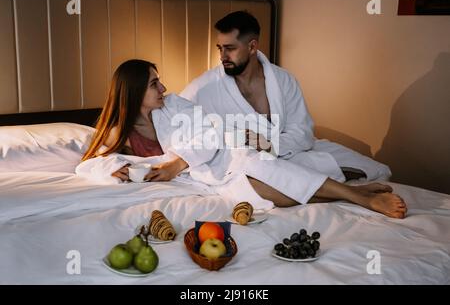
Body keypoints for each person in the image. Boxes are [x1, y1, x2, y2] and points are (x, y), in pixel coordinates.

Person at [77, 59, 407, 218]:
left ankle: (363, 199)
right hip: (206, 178)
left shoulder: (174, 105)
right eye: (154, 84)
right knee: (261, 194)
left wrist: (179, 163)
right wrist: (112, 170)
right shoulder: (117, 132)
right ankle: (352, 193)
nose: (163, 88)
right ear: (134, 92)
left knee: (259, 164)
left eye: (159, 81)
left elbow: (208, 132)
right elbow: (89, 164)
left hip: (221, 151)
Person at [180, 10, 391, 183]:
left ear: (253, 46)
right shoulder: (206, 86)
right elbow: (175, 117)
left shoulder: (283, 80)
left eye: (230, 49)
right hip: (251, 160)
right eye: (220, 48)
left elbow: (302, 132)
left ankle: (327, 176)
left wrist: (268, 145)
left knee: (377, 170)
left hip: (291, 150)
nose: (223, 56)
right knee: (264, 171)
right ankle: (333, 181)